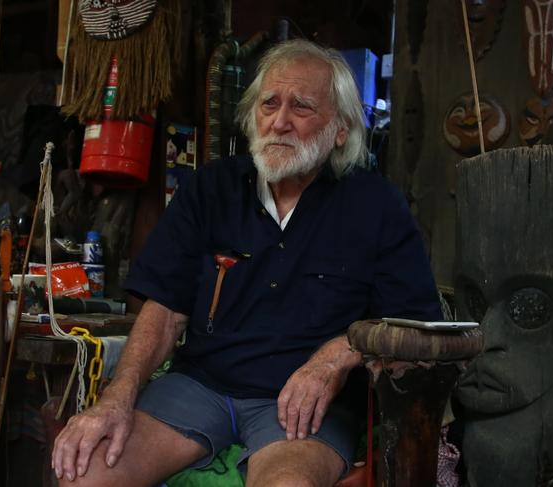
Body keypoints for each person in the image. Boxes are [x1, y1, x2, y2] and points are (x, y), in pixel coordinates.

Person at [52, 39, 442, 487]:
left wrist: (335, 358)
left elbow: (413, 322)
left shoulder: (377, 206)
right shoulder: (209, 190)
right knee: (85, 475)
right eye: (269, 104)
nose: (280, 121)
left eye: (302, 107)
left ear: (340, 129)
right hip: (199, 387)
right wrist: (117, 397)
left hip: (301, 407)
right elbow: (164, 312)